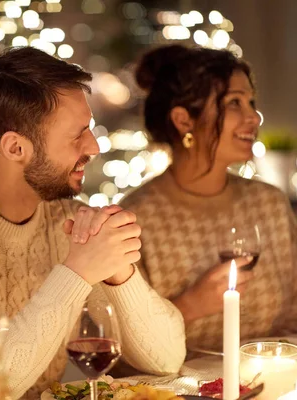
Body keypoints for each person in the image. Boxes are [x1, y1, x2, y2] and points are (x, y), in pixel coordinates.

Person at [0, 46, 185, 399]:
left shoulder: (68, 217)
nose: (93, 147)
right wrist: (77, 272)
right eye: (77, 134)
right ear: (15, 148)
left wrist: (119, 275)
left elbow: (167, 359)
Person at [120, 44, 297, 354]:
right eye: (234, 103)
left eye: (250, 101)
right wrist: (190, 305)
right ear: (184, 120)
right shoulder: (135, 219)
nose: (253, 116)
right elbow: (124, 351)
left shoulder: (270, 203)